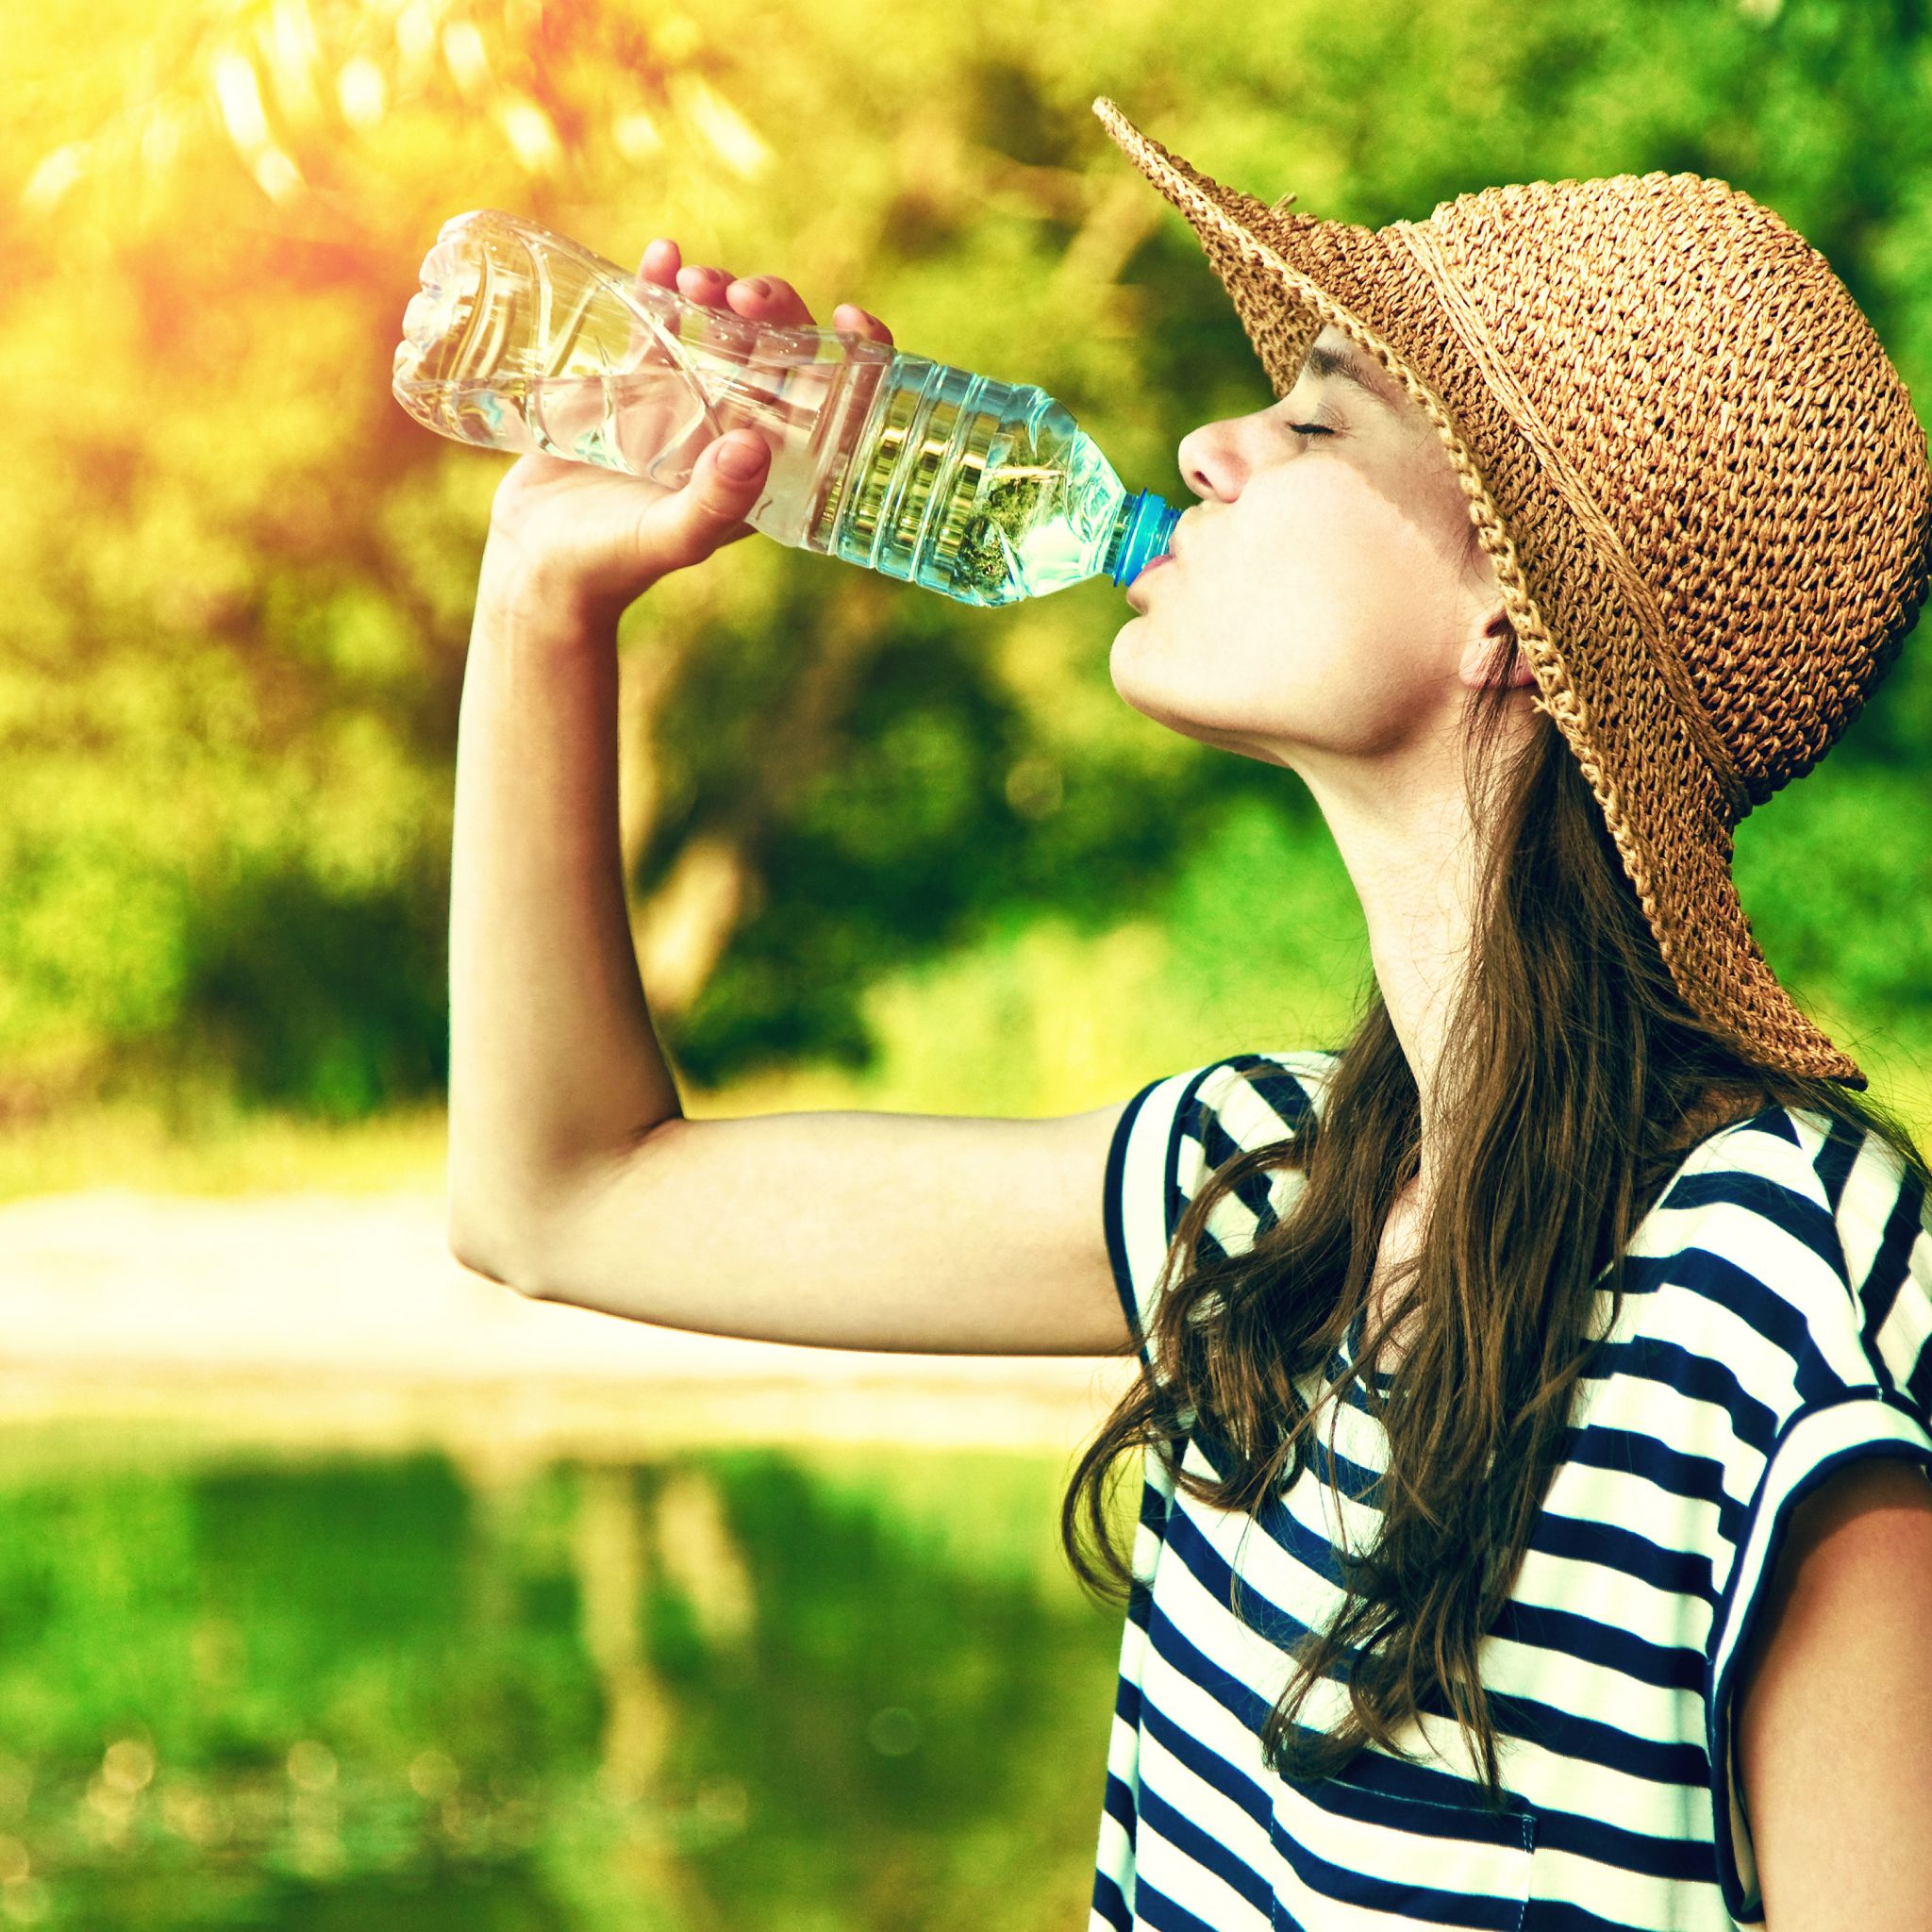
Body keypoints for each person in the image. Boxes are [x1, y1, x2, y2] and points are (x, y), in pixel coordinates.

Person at [443, 94, 1932, 1932]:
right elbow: (550, 1198)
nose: (1210, 442)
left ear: (1507, 611)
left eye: (1313, 417)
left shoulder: (1774, 1287)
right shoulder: (1252, 1201)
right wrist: (543, 598)